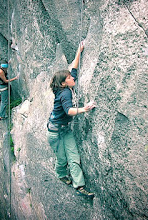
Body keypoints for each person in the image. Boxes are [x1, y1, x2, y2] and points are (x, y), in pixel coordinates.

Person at [47, 41, 96, 199]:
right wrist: (85, 109)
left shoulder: (68, 84)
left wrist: (78, 51)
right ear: (63, 83)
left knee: (73, 157)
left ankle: (79, 186)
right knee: (62, 159)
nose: (72, 77)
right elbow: (68, 110)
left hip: (65, 129)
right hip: (55, 132)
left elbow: (73, 68)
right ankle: (60, 174)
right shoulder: (65, 93)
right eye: (69, 77)